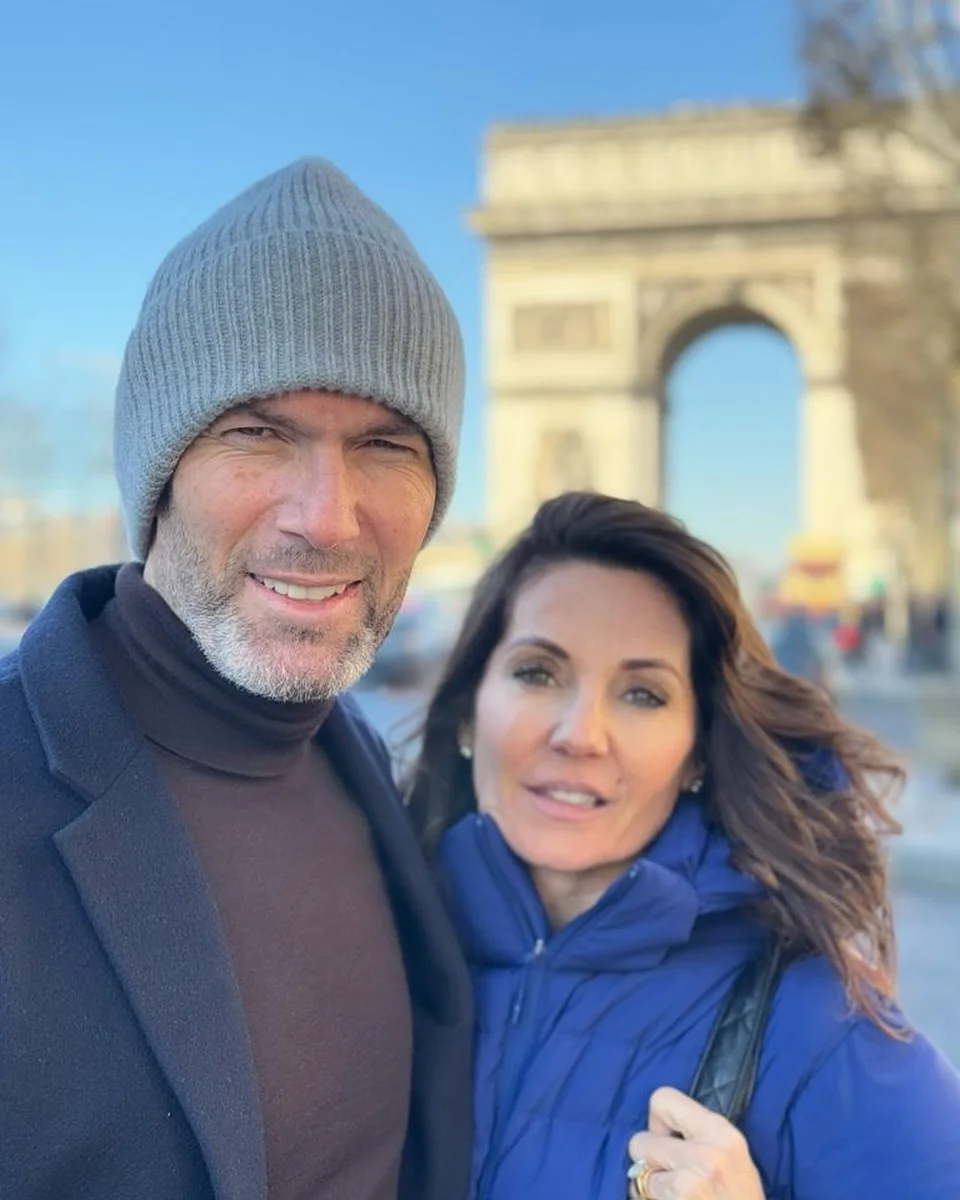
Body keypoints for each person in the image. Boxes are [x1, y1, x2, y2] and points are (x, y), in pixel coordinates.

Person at [0, 159, 474, 1200]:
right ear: (159, 473)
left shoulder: (363, 763)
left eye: (385, 445)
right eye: (257, 433)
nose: (326, 517)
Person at [406, 491, 960, 1199]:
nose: (580, 734)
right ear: (467, 711)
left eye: (642, 694)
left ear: (698, 751)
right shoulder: (371, 947)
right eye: (538, 673)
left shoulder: (817, 1021)